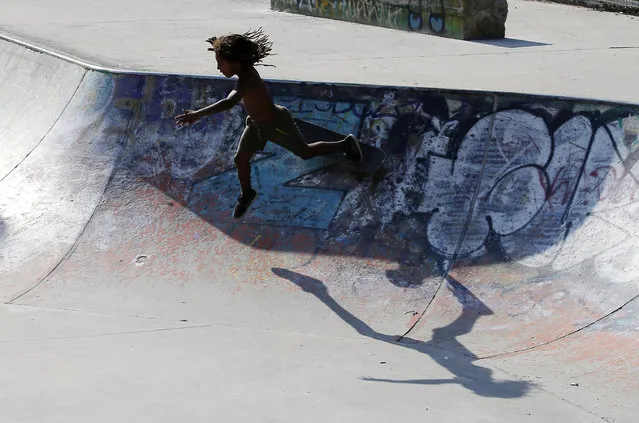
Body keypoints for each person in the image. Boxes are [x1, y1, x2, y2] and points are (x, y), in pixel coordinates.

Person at [175, 28, 362, 219]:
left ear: (234, 61)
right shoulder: (243, 75)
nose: (218, 69)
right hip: (256, 126)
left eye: (220, 63)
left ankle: (346, 144)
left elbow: (228, 102)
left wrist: (197, 114)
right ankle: (247, 193)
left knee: (305, 152)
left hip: (277, 124)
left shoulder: (246, 80)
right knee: (240, 159)